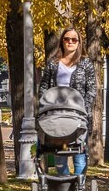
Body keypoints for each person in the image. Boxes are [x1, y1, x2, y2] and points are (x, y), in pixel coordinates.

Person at [37, 27, 97, 176]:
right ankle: (65, 185)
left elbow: (91, 89)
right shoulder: (53, 63)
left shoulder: (85, 64)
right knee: (59, 155)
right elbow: (44, 86)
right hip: (56, 114)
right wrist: (45, 104)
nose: (70, 42)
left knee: (79, 154)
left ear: (78, 43)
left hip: (78, 114)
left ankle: (79, 189)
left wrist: (84, 106)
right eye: (67, 39)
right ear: (62, 41)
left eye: (74, 39)